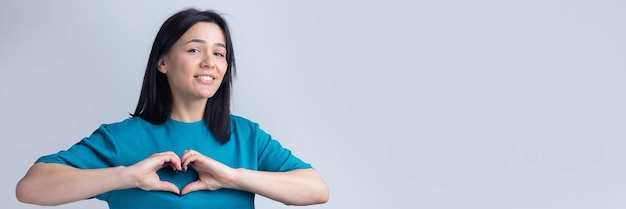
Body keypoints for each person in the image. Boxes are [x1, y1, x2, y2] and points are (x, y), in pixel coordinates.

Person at [15, 8, 329, 209]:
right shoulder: (120, 139)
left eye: (219, 54)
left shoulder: (246, 136)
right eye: (195, 50)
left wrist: (234, 178)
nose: (209, 62)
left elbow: (315, 189)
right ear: (162, 62)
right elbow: (31, 189)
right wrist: (126, 177)